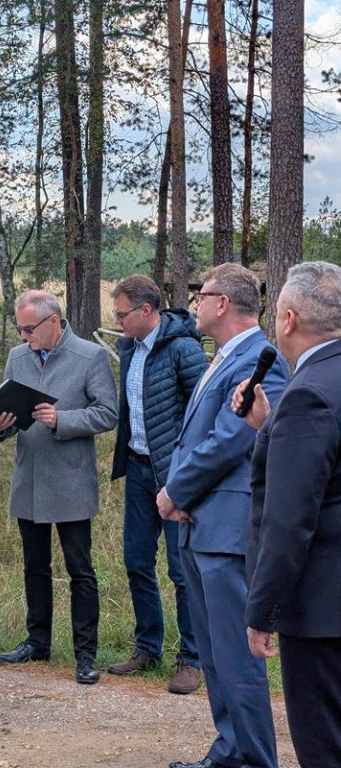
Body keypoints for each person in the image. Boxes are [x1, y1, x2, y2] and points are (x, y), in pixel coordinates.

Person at [156, 263, 289, 768]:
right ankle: (230, 753)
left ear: (223, 303)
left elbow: (234, 438)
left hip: (226, 530)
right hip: (200, 526)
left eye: (201, 295)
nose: (195, 305)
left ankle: (254, 760)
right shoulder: (223, 357)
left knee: (237, 659)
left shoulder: (261, 360)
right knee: (214, 657)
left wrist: (176, 489)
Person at [232, 261, 341, 768]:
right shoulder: (316, 390)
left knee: (324, 742)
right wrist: (269, 425)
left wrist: (262, 610)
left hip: (323, 610)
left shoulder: (308, 394)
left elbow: (288, 519)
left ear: (290, 320)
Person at [0, 290, 118, 684]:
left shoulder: (90, 356)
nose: (25, 336)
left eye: (29, 328)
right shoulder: (17, 357)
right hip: (29, 477)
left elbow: (108, 413)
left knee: (80, 570)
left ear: (53, 322)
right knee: (34, 567)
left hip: (71, 478)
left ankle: (85, 654)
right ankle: (37, 642)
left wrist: (63, 419)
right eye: (20, 329)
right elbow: (6, 409)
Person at [109, 275, 208, 694]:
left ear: (146, 311)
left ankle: (191, 658)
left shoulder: (185, 349)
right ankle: (147, 648)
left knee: (182, 570)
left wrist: (189, 473)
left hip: (176, 475)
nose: (116, 321)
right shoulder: (128, 348)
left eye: (121, 314)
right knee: (136, 561)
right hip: (138, 469)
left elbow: (207, 409)